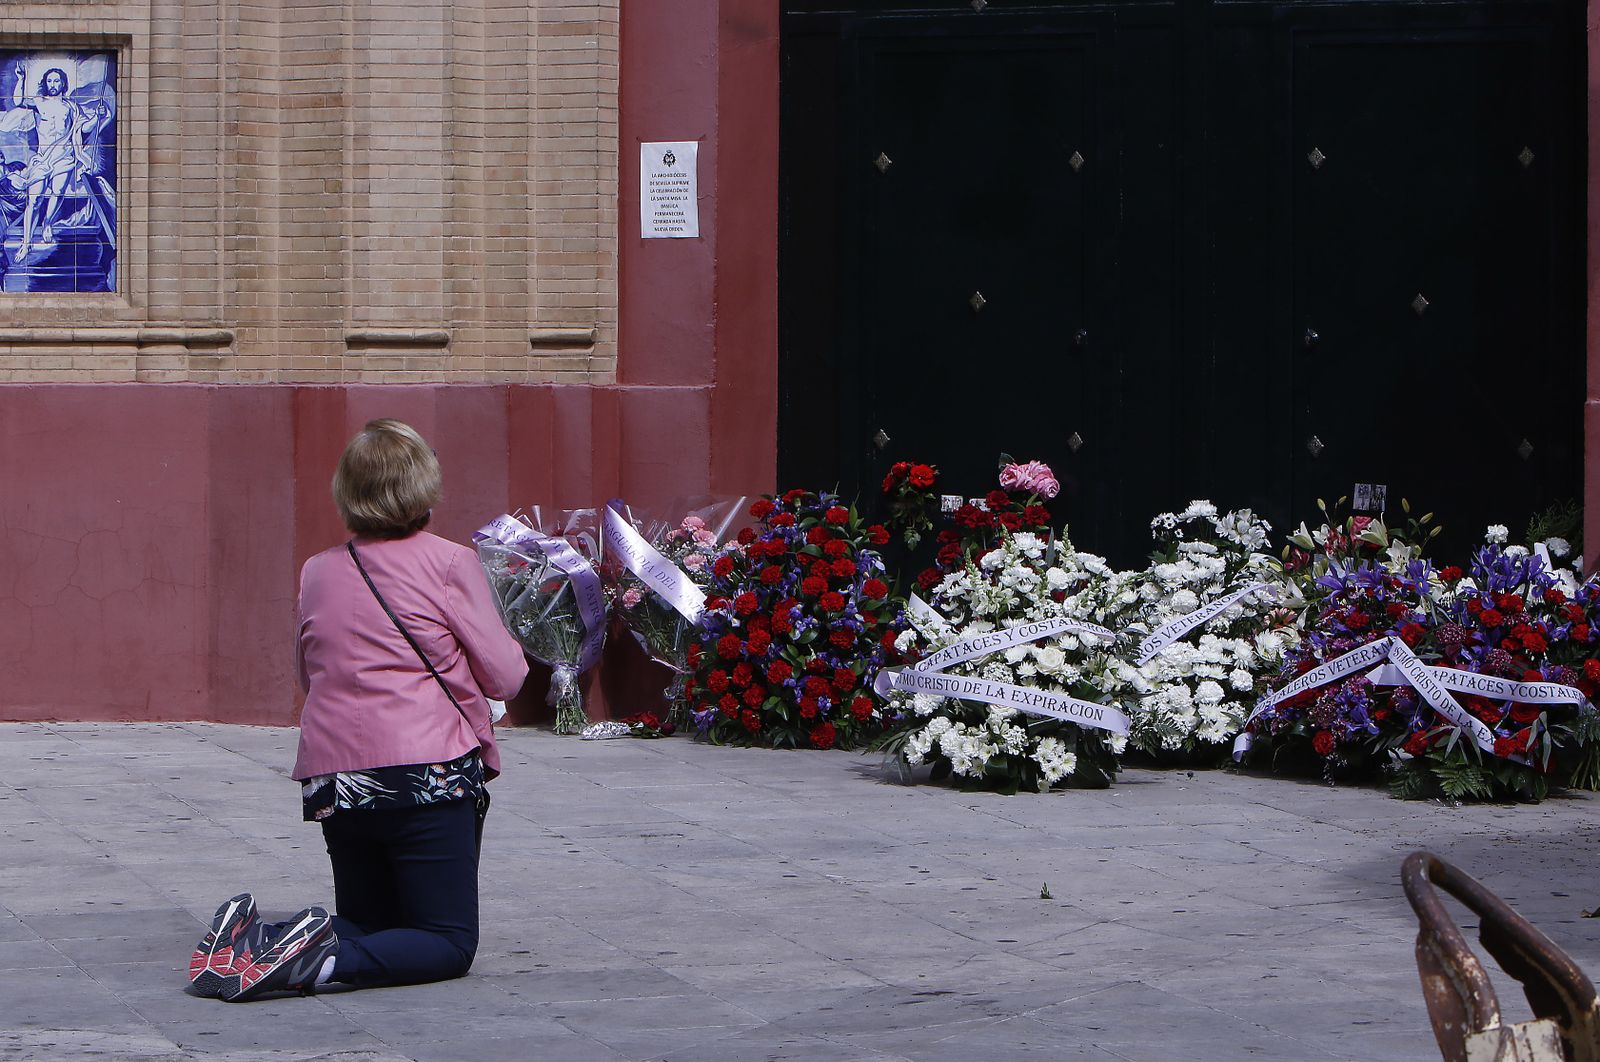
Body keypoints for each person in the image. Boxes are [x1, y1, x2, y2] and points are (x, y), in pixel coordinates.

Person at [187, 419, 528, 1002]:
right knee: (445, 941)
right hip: (427, 769)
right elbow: (508, 675)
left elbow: (308, 671)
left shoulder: (317, 569)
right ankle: (306, 963)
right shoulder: (449, 563)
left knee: (371, 921)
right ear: (423, 486)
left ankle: (256, 939)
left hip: (335, 776)